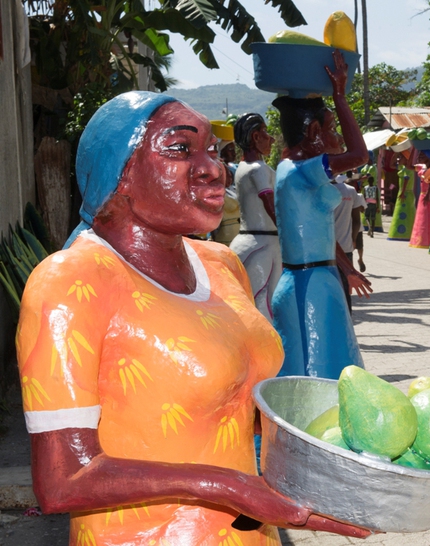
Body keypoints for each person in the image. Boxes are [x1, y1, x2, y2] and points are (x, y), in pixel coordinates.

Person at [16, 91, 369, 546]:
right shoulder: (71, 281)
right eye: (181, 149)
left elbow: (249, 406)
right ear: (120, 174)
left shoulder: (221, 264)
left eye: (208, 150)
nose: (212, 167)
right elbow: (65, 479)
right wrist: (229, 487)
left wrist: (351, 454)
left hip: (251, 534)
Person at [271, 50, 372, 379]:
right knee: (321, 371)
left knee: (316, 366)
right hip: (311, 286)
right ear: (314, 131)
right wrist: (340, 97)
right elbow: (359, 155)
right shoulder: (304, 170)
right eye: (331, 127)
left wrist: (348, 270)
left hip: (314, 279)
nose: (338, 136)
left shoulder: (290, 169)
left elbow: (320, 236)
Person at [229, 112, 281, 322]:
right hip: (263, 244)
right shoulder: (258, 169)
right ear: (255, 137)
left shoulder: (242, 168)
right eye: (266, 133)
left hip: (249, 241)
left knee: (252, 305)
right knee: (265, 308)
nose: (272, 138)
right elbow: (270, 204)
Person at [331, 172, 367, 310]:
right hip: (346, 248)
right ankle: (347, 323)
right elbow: (357, 220)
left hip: (324, 249)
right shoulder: (351, 191)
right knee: (345, 289)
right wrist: (352, 239)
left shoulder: (321, 190)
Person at [409, 151, 430, 249]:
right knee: (421, 219)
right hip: (423, 195)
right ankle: (420, 240)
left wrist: (428, 194)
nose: (419, 157)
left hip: (429, 196)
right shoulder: (422, 167)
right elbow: (409, 166)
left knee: (428, 218)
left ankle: (428, 240)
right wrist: (413, 150)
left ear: (428, 157)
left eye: (422, 155)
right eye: (419, 155)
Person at [387, 152, 416, 241]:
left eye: (401, 158)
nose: (399, 159)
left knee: (406, 213)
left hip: (406, 193)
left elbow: (406, 180)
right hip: (403, 193)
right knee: (401, 212)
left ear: (406, 159)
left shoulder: (409, 169)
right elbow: (391, 165)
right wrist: (395, 154)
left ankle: (406, 234)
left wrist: (402, 192)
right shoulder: (402, 168)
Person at [363, 174, 380, 238]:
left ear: (368, 181)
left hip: (367, 203)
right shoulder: (375, 187)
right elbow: (377, 197)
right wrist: (378, 206)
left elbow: (364, 197)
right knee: (373, 219)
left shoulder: (365, 188)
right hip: (374, 204)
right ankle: (372, 232)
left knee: (367, 217)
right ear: (373, 181)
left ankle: (369, 227)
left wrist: (364, 205)